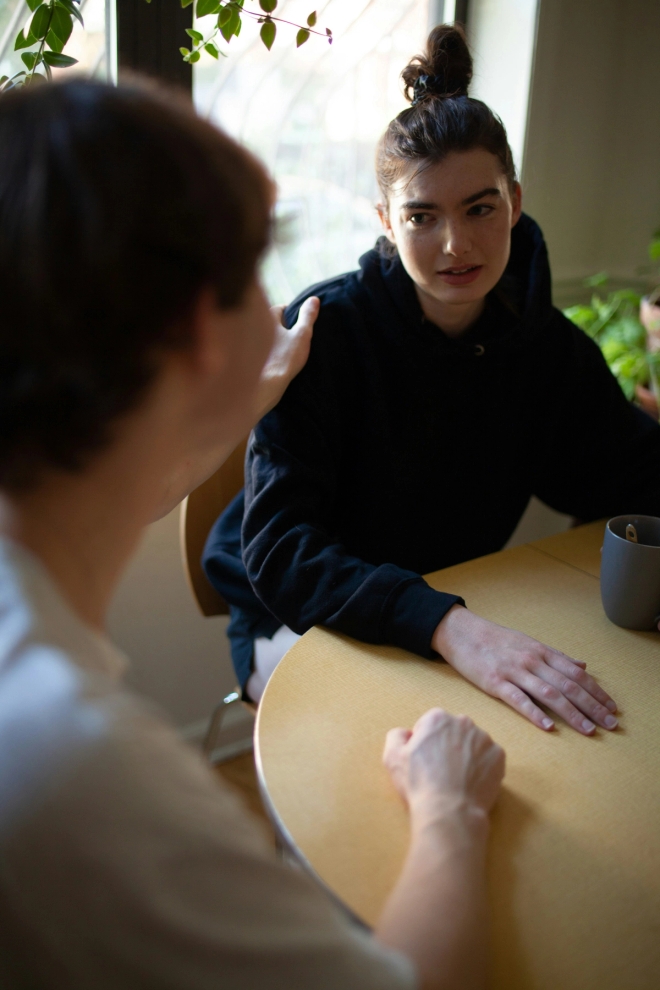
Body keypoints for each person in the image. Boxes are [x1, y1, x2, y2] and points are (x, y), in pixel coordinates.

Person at [0, 78, 506, 990]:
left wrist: (235, 404)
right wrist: (448, 809)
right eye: (256, 267)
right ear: (203, 328)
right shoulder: (75, 775)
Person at [204, 24, 660, 721]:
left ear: (515, 199)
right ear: (386, 220)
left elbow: (624, 472)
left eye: (480, 207)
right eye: (422, 216)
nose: (456, 245)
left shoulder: (547, 348)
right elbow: (282, 553)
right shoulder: (325, 335)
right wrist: (450, 626)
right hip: (296, 611)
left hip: (451, 604)